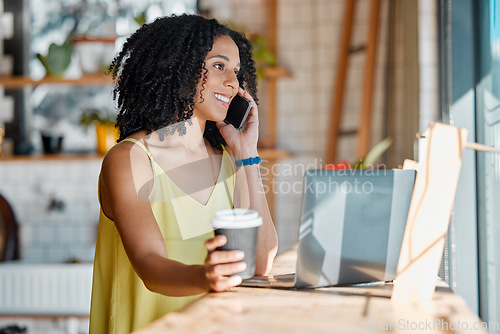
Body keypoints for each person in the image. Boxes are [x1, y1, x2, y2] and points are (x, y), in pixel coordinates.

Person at [89, 14, 278, 333]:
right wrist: (204, 277)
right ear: (178, 67)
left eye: (236, 71)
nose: (233, 82)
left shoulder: (229, 163)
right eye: (219, 66)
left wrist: (247, 153)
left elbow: (261, 262)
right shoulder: (130, 159)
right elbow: (150, 265)